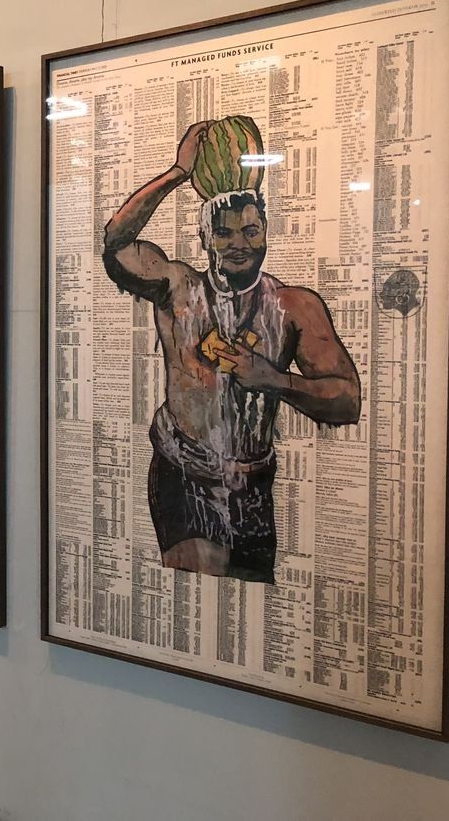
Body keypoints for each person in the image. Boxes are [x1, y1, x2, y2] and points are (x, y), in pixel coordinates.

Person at [103, 116, 361, 583]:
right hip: (184, 471)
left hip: (252, 482)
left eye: (250, 231)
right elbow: (116, 243)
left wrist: (275, 380)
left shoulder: (293, 305)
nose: (239, 244)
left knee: (249, 590)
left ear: (266, 231)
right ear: (205, 238)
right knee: (195, 582)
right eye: (224, 233)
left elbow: (347, 400)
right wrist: (178, 173)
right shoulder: (179, 289)